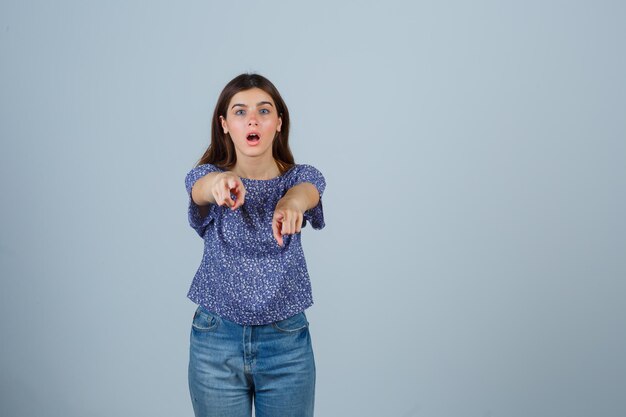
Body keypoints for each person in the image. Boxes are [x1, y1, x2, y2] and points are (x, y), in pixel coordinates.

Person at [184, 73, 325, 417]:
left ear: (279, 123)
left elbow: (308, 189)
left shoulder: (299, 178)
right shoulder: (207, 176)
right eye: (240, 111)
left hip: (286, 344)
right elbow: (199, 187)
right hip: (216, 341)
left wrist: (291, 204)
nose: (252, 119)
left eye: (264, 111)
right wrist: (220, 182)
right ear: (224, 125)